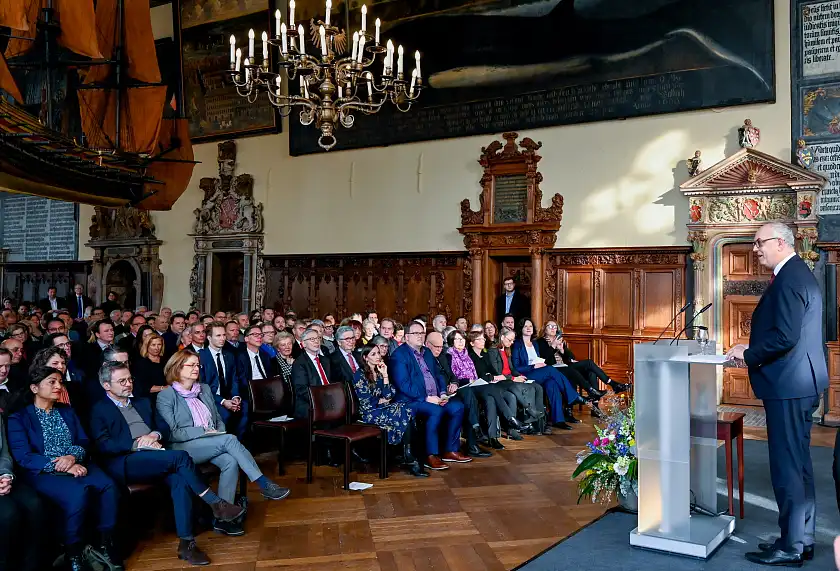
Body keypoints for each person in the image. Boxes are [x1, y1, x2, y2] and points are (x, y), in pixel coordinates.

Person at [727, 222, 827, 567]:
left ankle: (790, 546)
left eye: (759, 243)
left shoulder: (789, 279)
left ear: (781, 243)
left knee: (787, 468)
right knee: (798, 465)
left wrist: (748, 353)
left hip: (789, 385)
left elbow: (785, 337)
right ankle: (802, 538)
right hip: (799, 383)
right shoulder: (796, 274)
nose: (755, 249)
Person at [89, 361, 245, 566]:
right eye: (122, 381)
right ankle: (216, 504)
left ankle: (187, 544)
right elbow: (103, 445)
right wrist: (136, 444)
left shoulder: (142, 402)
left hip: (155, 454)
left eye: (129, 379)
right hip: (126, 460)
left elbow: (162, 426)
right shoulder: (99, 409)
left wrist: (154, 435)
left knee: (180, 479)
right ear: (106, 385)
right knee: (180, 457)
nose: (128, 384)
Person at [156, 350, 290, 537]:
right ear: (177, 368)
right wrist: (205, 432)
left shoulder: (204, 389)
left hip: (212, 441)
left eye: (197, 365)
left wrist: (216, 433)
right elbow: (172, 433)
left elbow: (218, 420)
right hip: (183, 447)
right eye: (191, 365)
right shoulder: (166, 396)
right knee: (230, 439)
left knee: (230, 460)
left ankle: (223, 518)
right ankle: (263, 483)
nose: (196, 368)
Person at [8, 367, 122, 571]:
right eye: (52, 382)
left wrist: (72, 457)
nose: (58, 386)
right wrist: (59, 465)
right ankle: (73, 552)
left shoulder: (67, 411)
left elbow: (83, 441)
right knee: (77, 493)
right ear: (35, 388)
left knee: (108, 486)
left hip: (75, 462)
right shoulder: (19, 418)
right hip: (43, 471)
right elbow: (24, 456)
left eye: (60, 382)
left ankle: (105, 544)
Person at [389, 321, 471, 470]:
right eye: (415, 333)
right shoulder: (399, 355)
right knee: (436, 410)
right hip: (410, 400)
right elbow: (404, 385)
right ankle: (430, 455)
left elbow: (438, 374)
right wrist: (426, 398)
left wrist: (443, 393)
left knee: (457, 407)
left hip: (435, 397)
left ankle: (450, 450)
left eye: (422, 333)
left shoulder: (427, 352)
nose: (420, 336)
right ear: (406, 337)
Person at [352, 344, 424, 477]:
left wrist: (385, 375)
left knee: (405, 408)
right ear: (365, 358)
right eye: (373, 354)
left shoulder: (380, 371)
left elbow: (389, 395)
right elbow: (366, 402)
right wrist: (381, 400)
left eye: (378, 353)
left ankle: (408, 454)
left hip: (383, 409)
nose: (378, 356)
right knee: (404, 411)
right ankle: (408, 455)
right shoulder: (359, 375)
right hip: (369, 413)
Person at [512, 318, 587, 430]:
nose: (528, 328)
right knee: (550, 370)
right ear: (521, 329)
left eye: (530, 326)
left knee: (552, 383)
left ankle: (558, 420)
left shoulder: (535, 344)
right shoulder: (517, 344)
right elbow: (516, 367)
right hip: (526, 374)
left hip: (538, 372)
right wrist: (533, 366)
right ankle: (572, 396)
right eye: (525, 326)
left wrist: (541, 362)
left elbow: (543, 359)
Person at [0, 411, 46, 571]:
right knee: (8, 513)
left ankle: (31, 565)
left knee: (34, 504)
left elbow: (4, 454)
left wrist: (6, 475)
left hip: (1, 476)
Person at [488, 327, 549, 434]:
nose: (512, 343)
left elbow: (512, 369)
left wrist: (520, 376)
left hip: (510, 378)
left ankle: (539, 423)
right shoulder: (493, 351)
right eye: (509, 340)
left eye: (513, 340)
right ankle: (529, 418)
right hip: (501, 381)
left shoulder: (507, 350)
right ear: (502, 337)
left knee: (537, 387)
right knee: (526, 388)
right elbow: (496, 372)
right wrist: (513, 378)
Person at [199, 322, 248, 438]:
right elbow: (201, 387)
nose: (222, 338)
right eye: (218, 335)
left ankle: (238, 442)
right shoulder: (201, 356)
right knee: (224, 414)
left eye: (224, 335)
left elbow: (234, 379)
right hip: (211, 399)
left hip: (229, 396)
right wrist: (222, 401)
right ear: (209, 338)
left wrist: (235, 396)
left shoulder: (229, 355)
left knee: (245, 408)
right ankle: (226, 443)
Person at [291, 327, 333, 420]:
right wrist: (323, 399)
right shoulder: (299, 363)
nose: (316, 341)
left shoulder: (325, 360)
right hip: (310, 404)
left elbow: (332, 382)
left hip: (329, 400)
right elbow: (302, 390)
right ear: (303, 344)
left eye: (318, 338)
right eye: (312, 339)